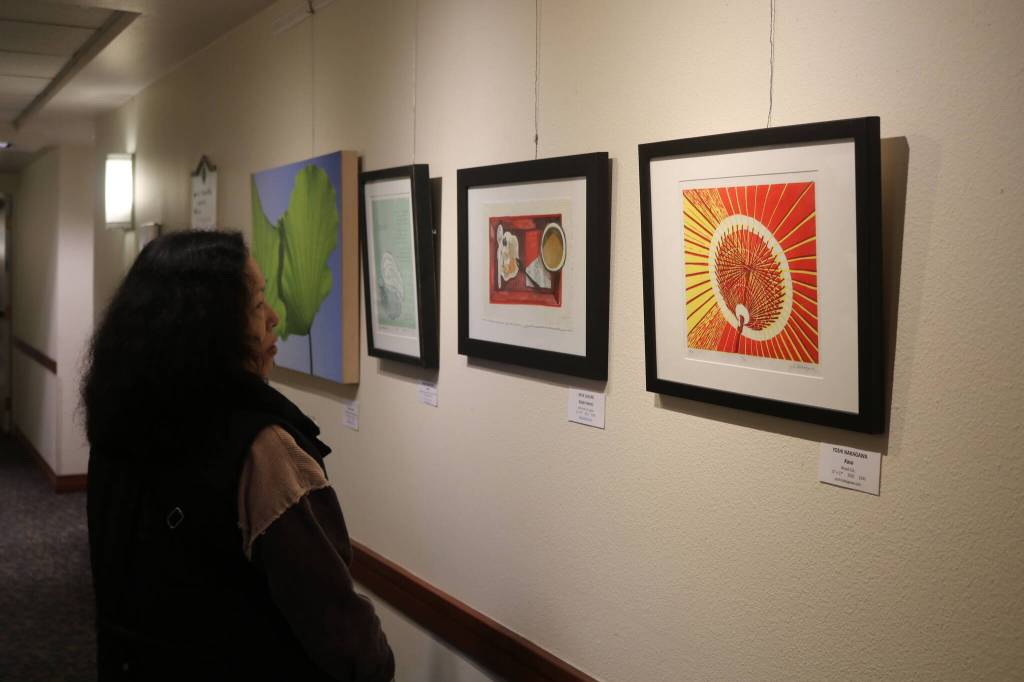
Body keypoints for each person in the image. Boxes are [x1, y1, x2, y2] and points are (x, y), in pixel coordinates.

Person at [83, 230, 394, 681]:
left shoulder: (119, 422)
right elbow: (339, 631)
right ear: (208, 328)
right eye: (255, 305)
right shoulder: (262, 450)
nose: (273, 317)